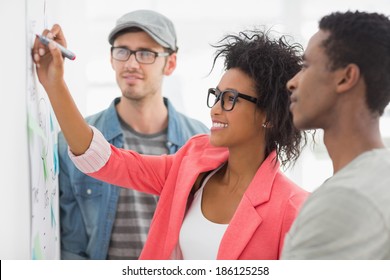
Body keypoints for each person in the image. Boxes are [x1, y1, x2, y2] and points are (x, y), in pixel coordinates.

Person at [33, 25, 309, 259]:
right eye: (217, 95)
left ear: (269, 116)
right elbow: (106, 161)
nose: (215, 109)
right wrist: (55, 84)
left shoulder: (293, 208)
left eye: (230, 99)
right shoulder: (192, 161)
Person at [55, 10, 209, 260]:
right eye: (122, 51)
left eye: (146, 53)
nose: (131, 63)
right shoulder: (73, 143)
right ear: (111, 59)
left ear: (170, 63)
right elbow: (72, 248)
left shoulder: (201, 143)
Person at [282, 11, 390, 259]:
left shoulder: (346, 198)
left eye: (306, 66)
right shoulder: (376, 177)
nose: (292, 82)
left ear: (346, 77)